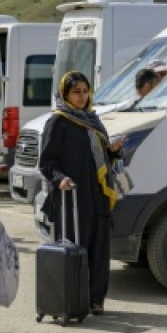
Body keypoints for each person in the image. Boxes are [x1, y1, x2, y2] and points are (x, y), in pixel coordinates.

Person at [38, 71, 125, 315]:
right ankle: (74, 298)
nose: (82, 96)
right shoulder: (58, 121)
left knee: (99, 250)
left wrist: (113, 151)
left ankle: (96, 300)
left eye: (85, 91)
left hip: (97, 195)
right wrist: (59, 179)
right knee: (77, 249)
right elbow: (47, 162)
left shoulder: (92, 120)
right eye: (76, 92)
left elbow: (98, 158)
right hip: (72, 198)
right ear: (65, 94)